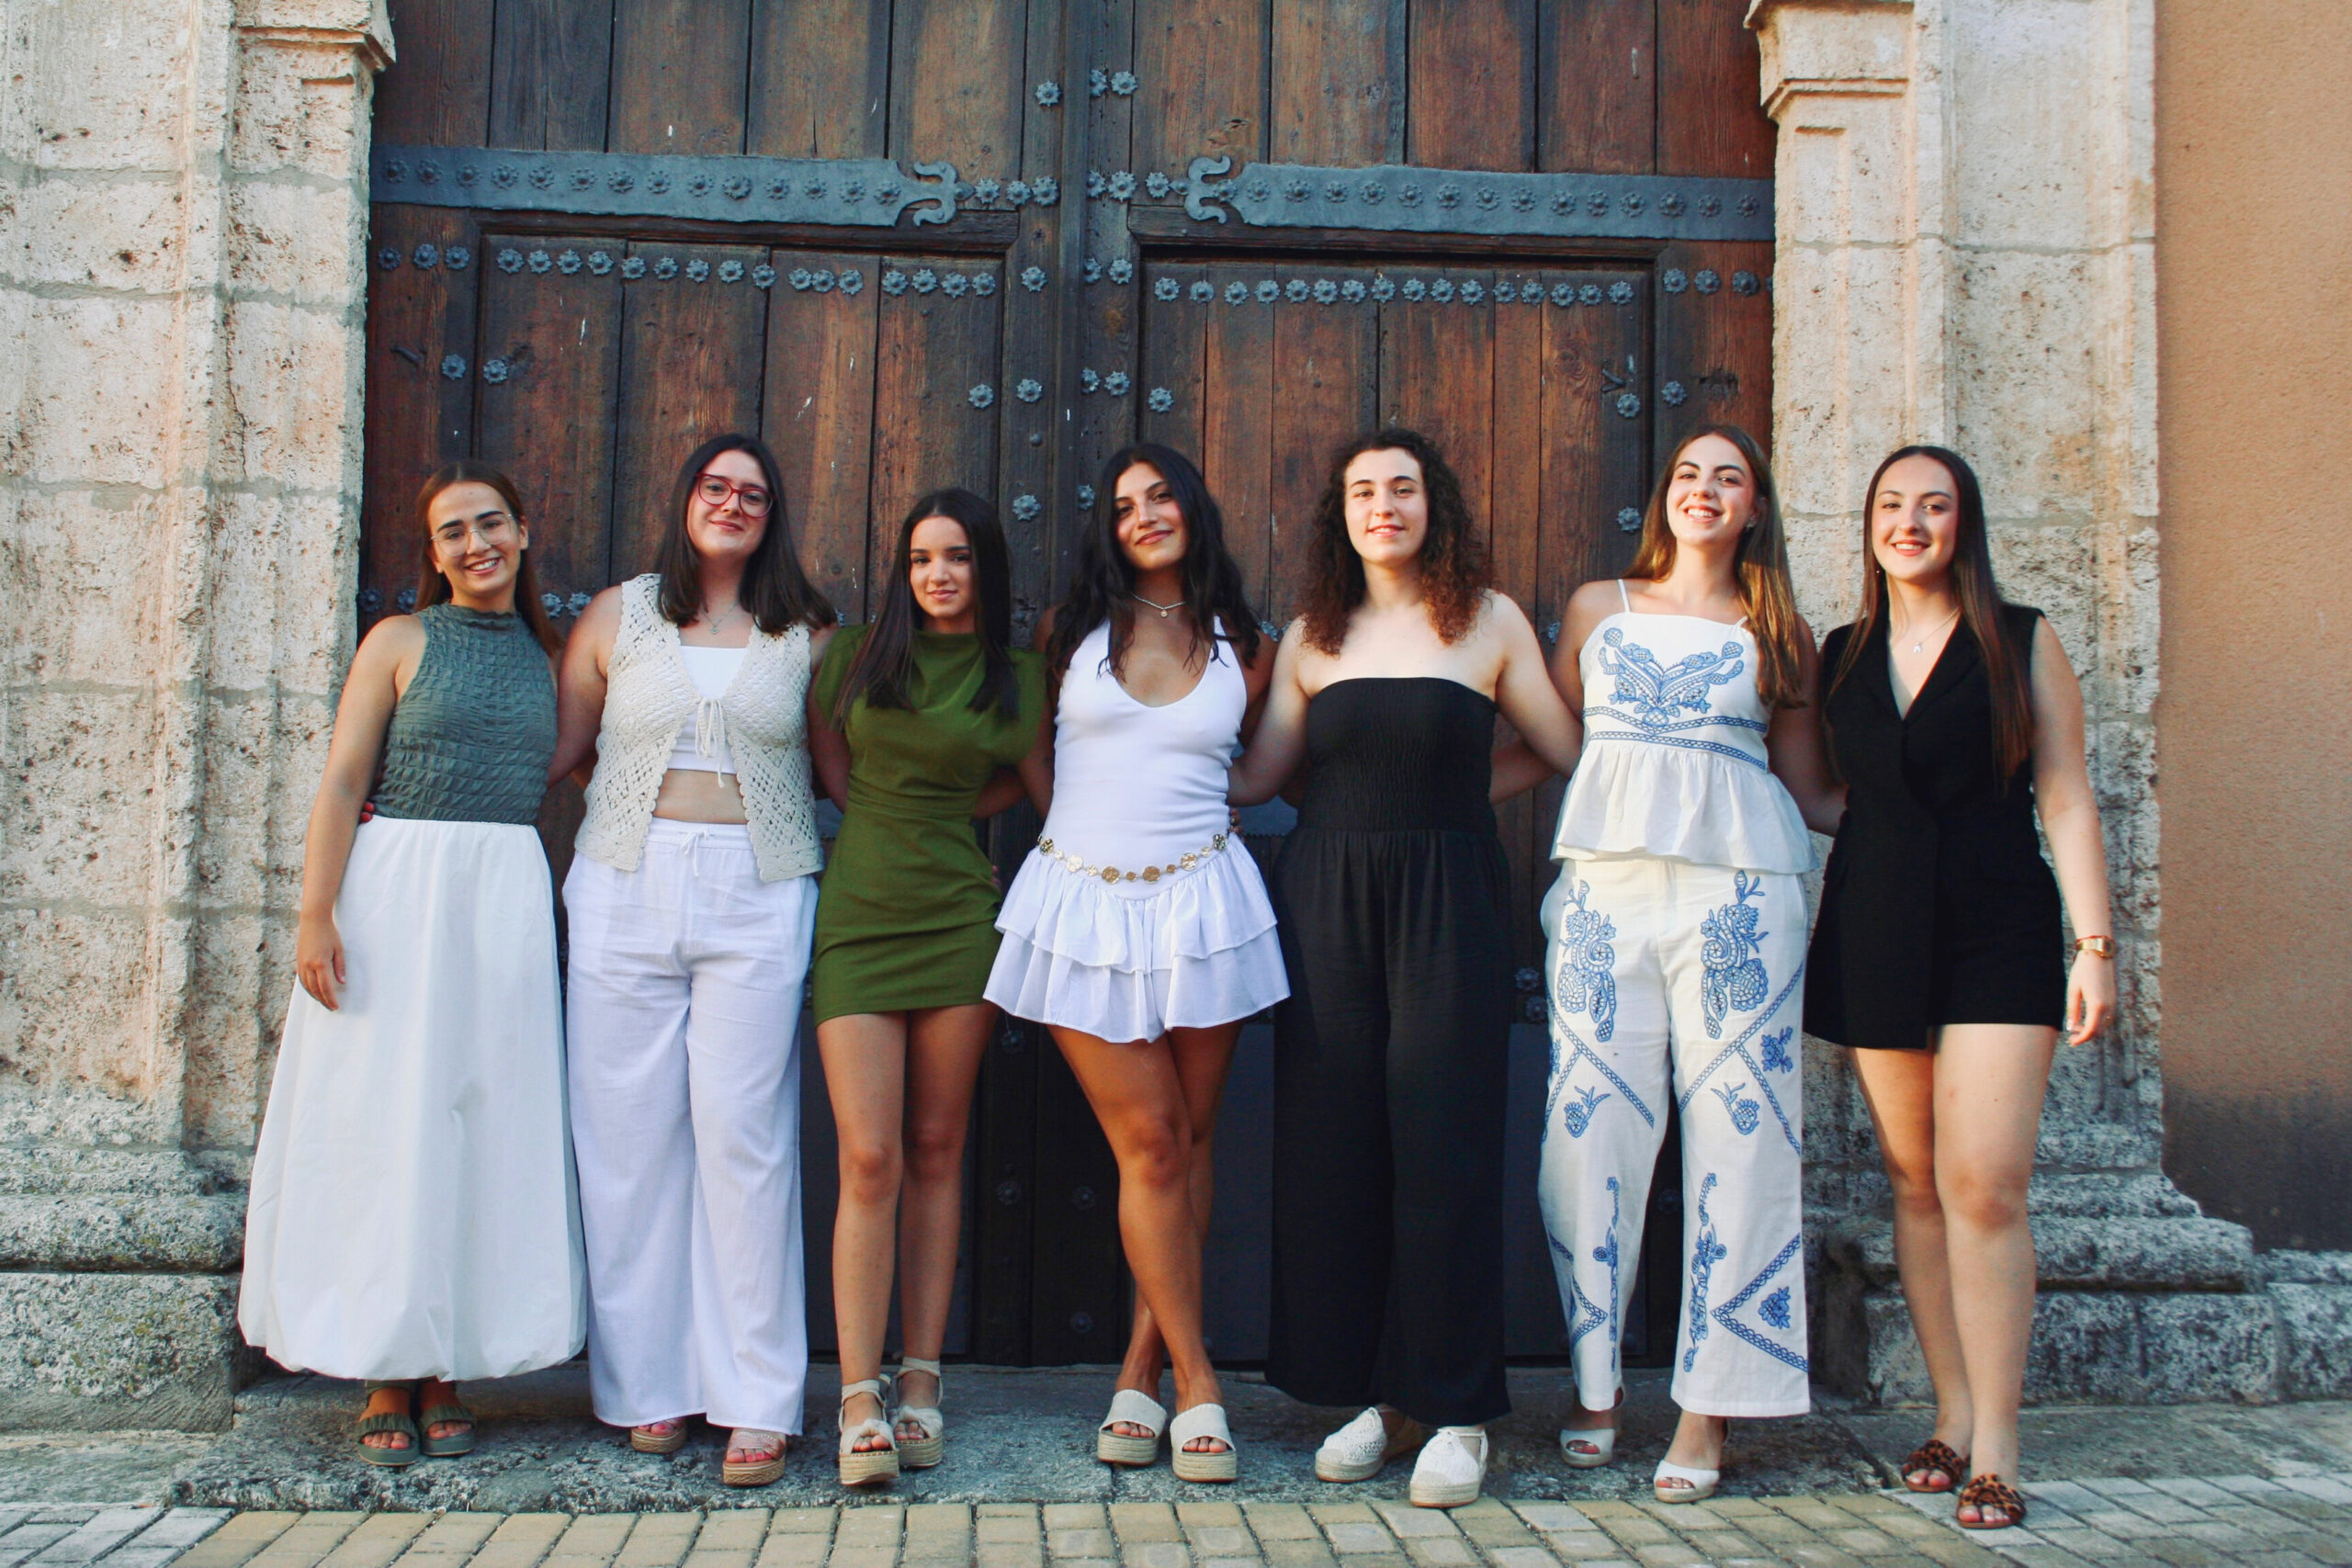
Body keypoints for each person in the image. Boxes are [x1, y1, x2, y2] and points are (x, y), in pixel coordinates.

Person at [1228, 427, 1581, 1509]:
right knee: (1340, 1148)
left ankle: (1460, 1410)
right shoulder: (1312, 635)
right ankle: (1384, 1399)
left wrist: (1456, 799)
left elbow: (1560, 749)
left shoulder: (1488, 620)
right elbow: (1262, 778)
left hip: (1448, 899)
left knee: (1444, 1146)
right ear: (1339, 514)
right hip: (1326, 899)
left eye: (1402, 488)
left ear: (1435, 506)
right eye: (1362, 491)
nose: (1382, 505)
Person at [241, 462, 583, 1466]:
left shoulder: (550, 660)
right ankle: (386, 1367)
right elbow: (344, 778)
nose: (476, 544)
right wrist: (316, 915)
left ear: (524, 531)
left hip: (501, 897)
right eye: (453, 532)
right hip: (395, 894)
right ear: (433, 553)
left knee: (480, 1119)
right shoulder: (398, 641)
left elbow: (579, 763)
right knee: (386, 1121)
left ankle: (449, 1365)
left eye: (491, 523)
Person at [1804, 446, 2113, 1531]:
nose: (1910, 521)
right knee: (1914, 1183)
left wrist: (2094, 944)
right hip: (1876, 926)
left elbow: (2065, 793)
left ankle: (1999, 1447)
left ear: (1962, 525)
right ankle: (1948, 1414)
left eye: (1933, 506)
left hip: (1997, 926)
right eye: (1891, 504)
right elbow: (1817, 790)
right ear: (1869, 526)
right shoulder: (1839, 653)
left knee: (1983, 1184)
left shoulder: (2019, 638)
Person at [1528, 425, 1833, 1504]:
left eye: (1728, 478)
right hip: (1605, 891)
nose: (1704, 490)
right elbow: (1549, 739)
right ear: (1664, 497)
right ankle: (1596, 1383)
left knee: (1743, 1137)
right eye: (1689, 475)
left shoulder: (1778, 626)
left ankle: (1710, 1408)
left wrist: (1945, 825)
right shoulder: (1596, 608)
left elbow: (1809, 785)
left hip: (1739, 896)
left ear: (1755, 507)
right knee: (1584, 1131)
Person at [986, 446, 1286, 1482]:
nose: (1144, 515)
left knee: (1190, 1142)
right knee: (1152, 1142)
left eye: (1160, 496)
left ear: (1192, 506)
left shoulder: (1246, 641)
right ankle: (1200, 1381)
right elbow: (1034, 751)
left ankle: (1139, 1369)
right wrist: (1063, 833)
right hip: (1083, 905)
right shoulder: (1068, 631)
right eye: (1123, 505)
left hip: (1203, 902)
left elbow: (1258, 769)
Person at [551, 434, 837, 1487]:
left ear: (772, 515)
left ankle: (757, 1396)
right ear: (685, 500)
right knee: (626, 1139)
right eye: (715, 487)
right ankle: (648, 1387)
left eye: (752, 493)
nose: (731, 503)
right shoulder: (617, 615)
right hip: (624, 877)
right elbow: (561, 752)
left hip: (758, 886)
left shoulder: (805, 631)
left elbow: (844, 771)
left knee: (742, 1138)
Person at [808, 490, 1049, 1486]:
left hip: (957, 922)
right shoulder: (854, 655)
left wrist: (950, 818)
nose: (937, 575)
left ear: (984, 567)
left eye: (955, 557)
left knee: (938, 1147)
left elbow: (1037, 789)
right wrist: (897, 818)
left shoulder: (1021, 679)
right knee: (869, 1157)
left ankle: (920, 1379)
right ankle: (856, 1393)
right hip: (860, 917)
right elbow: (834, 768)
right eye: (919, 558)